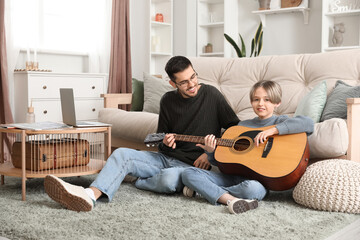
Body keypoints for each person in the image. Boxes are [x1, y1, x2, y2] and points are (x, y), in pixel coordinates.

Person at [43, 56, 239, 212]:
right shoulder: (168, 101)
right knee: (121, 153)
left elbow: (234, 129)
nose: (192, 84)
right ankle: (89, 195)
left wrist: (210, 154)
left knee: (169, 180)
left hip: (191, 167)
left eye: (193, 77)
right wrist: (167, 143)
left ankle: (137, 180)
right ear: (173, 84)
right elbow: (161, 140)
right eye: (184, 82)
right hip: (165, 158)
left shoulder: (212, 95)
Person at [181, 80, 314, 214]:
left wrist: (273, 131)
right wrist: (211, 152)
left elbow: (308, 123)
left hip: (258, 181)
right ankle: (231, 200)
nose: (260, 104)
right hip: (231, 177)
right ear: (251, 102)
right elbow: (223, 162)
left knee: (252, 190)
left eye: (267, 100)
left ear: (277, 103)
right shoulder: (241, 126)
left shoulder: (280, 121)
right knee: (189, 173)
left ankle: (206, 191)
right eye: (256, 99)